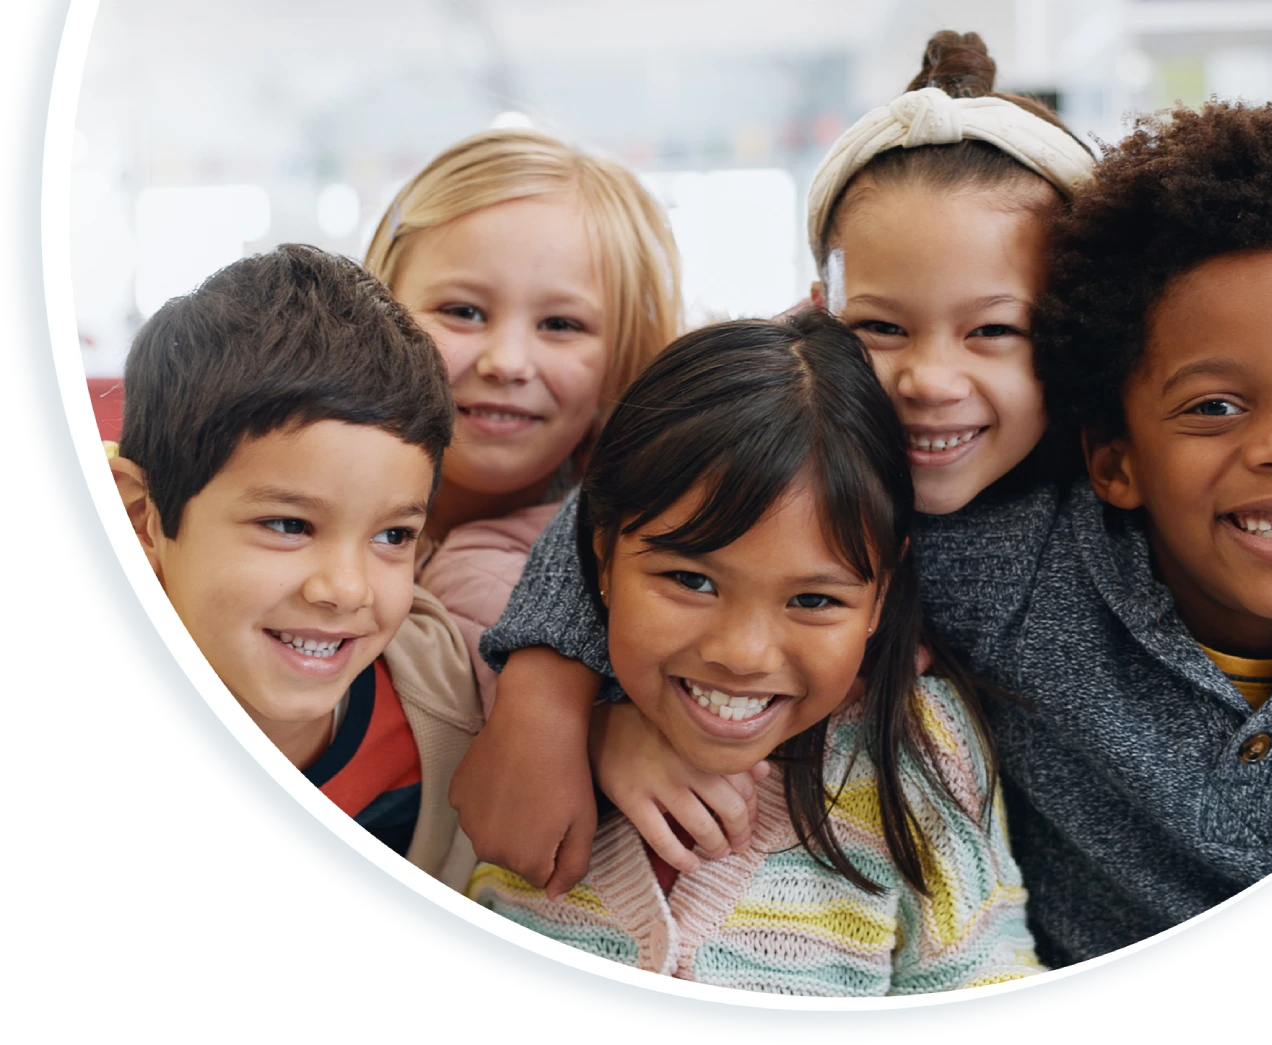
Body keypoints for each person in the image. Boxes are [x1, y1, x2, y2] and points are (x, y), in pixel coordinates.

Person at [451, 32, 1272, 906]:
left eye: (996, 329)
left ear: (1079, 354)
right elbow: (659, 486)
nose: (928, 382)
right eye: (877, 329)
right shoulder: (971, 552)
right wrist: (555, 700)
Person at [468, 311, 1042, 994]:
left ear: (882, 593)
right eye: (691, 580)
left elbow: (984, 987)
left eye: (813, 600)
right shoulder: (534, 736)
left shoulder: (923, 755)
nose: (741, 653)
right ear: (601, 559)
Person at [109, 245, 482, 890]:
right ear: (143, 518)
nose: (346, 589)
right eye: (288, 525)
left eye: (393, 535)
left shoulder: (446, 697)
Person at [362, 127, 683, 714]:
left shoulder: (647, 550)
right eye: (462, 312)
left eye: (561, 325)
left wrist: (605, 733)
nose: (507, 362)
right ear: (375, 307)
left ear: (622, 356)